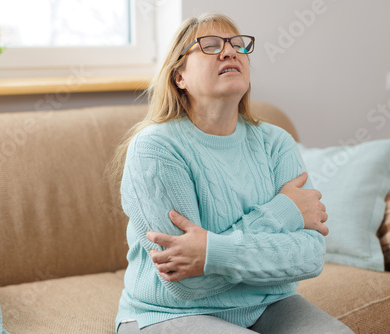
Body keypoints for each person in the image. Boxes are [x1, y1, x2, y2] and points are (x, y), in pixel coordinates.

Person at [112, 12, 354, 334]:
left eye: (237, 46)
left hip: (267, 304)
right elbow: (187, 284)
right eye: (210, 46)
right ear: (178, 77)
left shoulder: (276, 142)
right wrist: (283, 212)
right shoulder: (156, 148)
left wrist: (210, 252)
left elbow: (310, 257)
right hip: (165, 313)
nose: (229, 52)